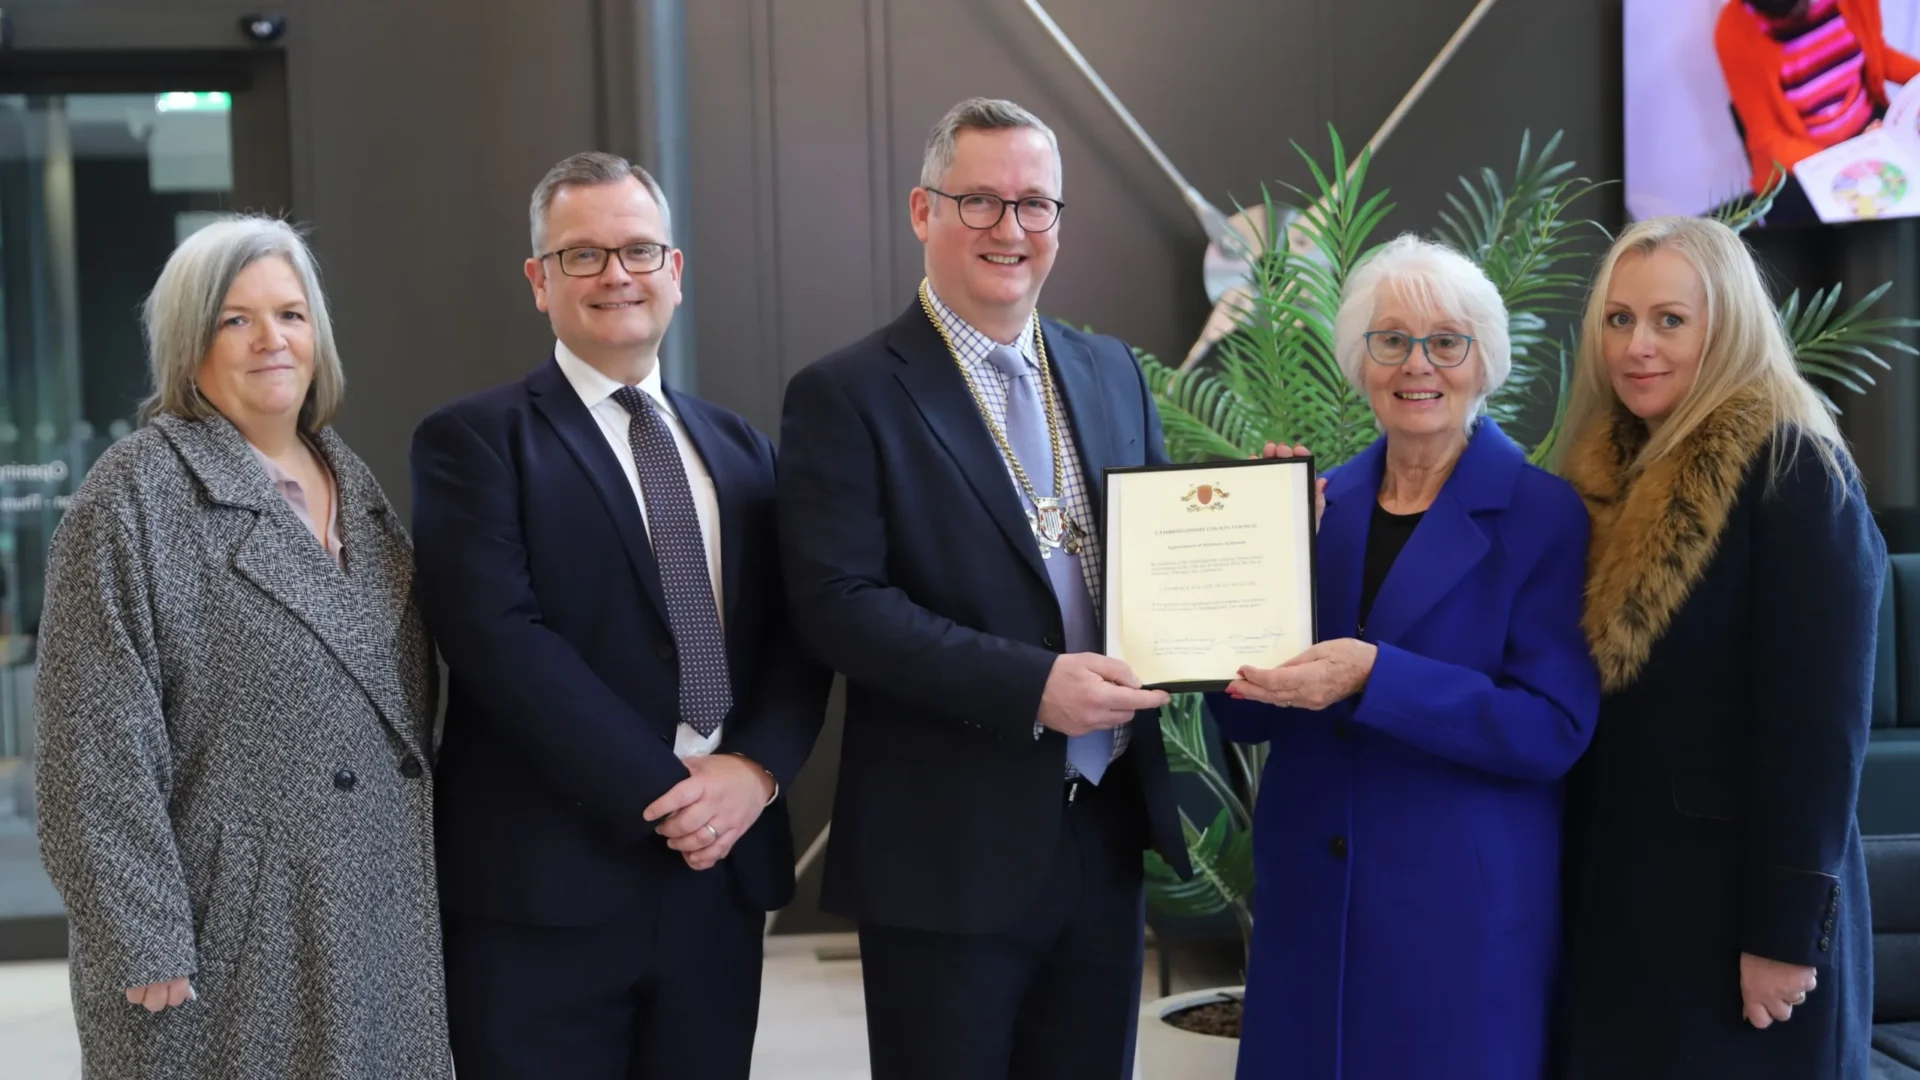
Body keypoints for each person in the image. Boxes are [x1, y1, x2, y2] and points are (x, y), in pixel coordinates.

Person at [776, 97, 1190, 1080]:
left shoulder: (1110, 372)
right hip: (944, 849)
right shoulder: (847, 394)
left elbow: (1163, 560)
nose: (1011, 229)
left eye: (1034, 205)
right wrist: (1031, 685)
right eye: (980, 202)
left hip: (1103, 825)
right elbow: (839, 605)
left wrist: (1253, 554)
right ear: (923, 212)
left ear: (1058, 223)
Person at [410, 152, 829, 1080]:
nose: (615, 275)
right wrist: (674, 793)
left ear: (674, 271)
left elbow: (801, 635)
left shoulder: (740, 445)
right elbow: (497, 639)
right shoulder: (474, 441)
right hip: (545, 886)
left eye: (639, 250)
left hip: (716, 878)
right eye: (582, 255)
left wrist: (753, 774)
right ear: (538, 281)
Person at [33, 216, 451, 1078]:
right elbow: (90, 745)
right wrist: (141, 932)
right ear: (191, 345)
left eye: (292, 315)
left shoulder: (354, 483)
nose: (272, 340)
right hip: (223, 939)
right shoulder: (133, 494)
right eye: (237, 319)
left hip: (374, 916)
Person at [1208, 235, 1600, 1080]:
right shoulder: (1317, 504)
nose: (1417, 364)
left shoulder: (1544, 515)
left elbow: (1552, 730)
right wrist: (1261, 564)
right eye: (1391, 339)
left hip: (1459, 925)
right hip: (1311, 915)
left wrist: (1377, 675)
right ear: (1360, 360)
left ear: (1484, 360)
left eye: (1446, 341)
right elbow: (1237, 710)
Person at [1554, 216, 1883, 1079]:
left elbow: (1822, 731)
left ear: (1727, 324)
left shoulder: (1796, 472)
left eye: (1671, 320)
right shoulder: (1589, 478)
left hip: (1737, 920)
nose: (1638, 346)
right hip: (1616, 904)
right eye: (1620, 320)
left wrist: (1784, 934)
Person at [1717, 0, 1920, 225]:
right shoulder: (1733, 32)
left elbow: (1877, 54)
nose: (1803, 14)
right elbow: (1768, 137)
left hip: (1866, 131)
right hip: (1800, 164)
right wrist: (1850, 161)